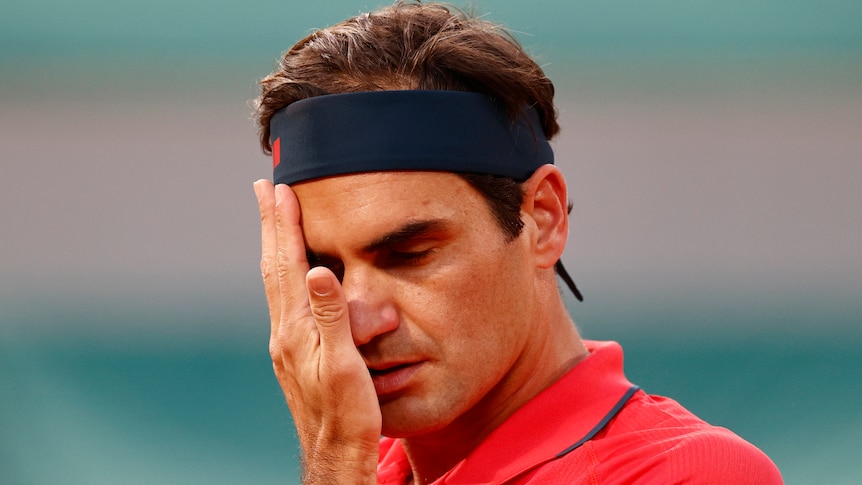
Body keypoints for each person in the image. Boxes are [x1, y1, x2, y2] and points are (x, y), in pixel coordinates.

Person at [251, 2, 783, 483]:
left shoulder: (693, 473)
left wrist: (338, 467)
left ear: (543, 219)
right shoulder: (365, 463)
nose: (359, 323)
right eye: (325, 270)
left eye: (408, 255)